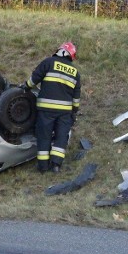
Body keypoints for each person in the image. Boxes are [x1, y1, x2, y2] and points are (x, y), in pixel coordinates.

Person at [21, 41, 81, 173]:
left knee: (44, 136)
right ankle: (56, 165)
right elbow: (76, 98)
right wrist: (74, 112)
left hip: (46, 110)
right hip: (65, 112)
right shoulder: (75, 72)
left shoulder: (48, 62)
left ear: (59, 50)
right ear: (71, 55)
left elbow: (34, 79)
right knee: (61, 136)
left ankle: (43, 167)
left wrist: (25, 86)